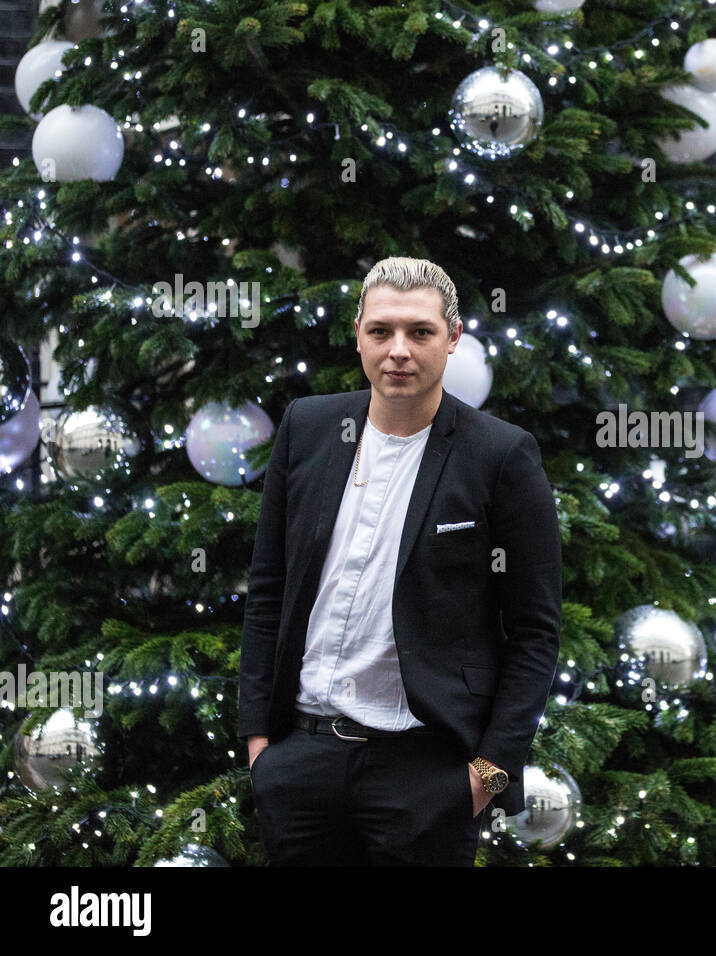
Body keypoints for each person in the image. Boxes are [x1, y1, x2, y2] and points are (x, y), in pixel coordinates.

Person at [237, 256, 562, 865]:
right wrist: (261, 749)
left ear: (454, 339)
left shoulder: (501, 455)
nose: (399, 351)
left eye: (420, 332)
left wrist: (488, 776)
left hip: (428, 772)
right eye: (381, 331)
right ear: (357, 335)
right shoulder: (307, 428)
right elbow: (268, 591)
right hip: (301, 762)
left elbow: (535, 633)